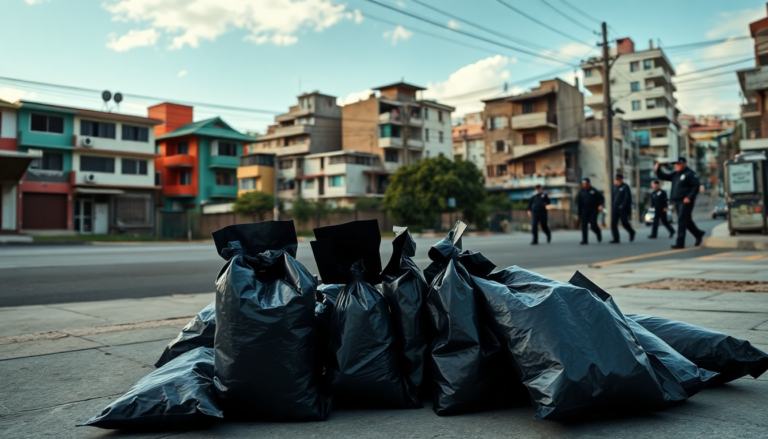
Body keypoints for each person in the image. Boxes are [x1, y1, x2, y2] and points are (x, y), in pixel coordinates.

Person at [655, 157, 705, 249]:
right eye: (675, 164)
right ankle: (698, 234)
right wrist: (658, 169)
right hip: (677, 201)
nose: (676, 166)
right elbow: (663, 176)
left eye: (678, 164)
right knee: (687, 221)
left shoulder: (690, 174)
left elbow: (696, 186)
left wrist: (689, 197)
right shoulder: (675, 174)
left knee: (681, 220)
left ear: (684, 164)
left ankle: (680, 243)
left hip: (686, 201)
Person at [609, 173, 636, 243]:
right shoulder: (614, 187)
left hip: (622, 209)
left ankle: (631, 231)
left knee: (624, 223)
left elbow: (627, 198)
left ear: (622, 180)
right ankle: (616, 238)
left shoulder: (625, 187)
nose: (618, 181)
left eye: (619, 180)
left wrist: (623, 205)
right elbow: (612, 197)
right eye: (616, 180)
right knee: (613, 224)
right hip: (615, 208)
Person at [577, 177, 604, 245]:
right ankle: (584, 240)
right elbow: (579, 202)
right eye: (583, 184)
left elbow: (601, 198)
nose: (584, 185)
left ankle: (598, 233)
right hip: (584, 211)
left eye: (585, 183)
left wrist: (600, 205)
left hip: (593, 211)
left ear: (589, 183)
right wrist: (579, 213)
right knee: (584, 226)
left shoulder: (594, 191)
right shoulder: (581, 192)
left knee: (593, 225)